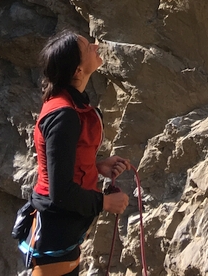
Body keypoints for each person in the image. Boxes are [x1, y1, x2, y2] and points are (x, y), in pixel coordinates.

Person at [21, 30, 133, 276]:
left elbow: (64, 165)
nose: (95, 46)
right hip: (55, 231)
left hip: (59, 230)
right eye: (87, 48)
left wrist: (96, 166)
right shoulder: (64, 115)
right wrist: (104, 202)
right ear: (78, 71)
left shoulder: (66, 104)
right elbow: (60, 192)